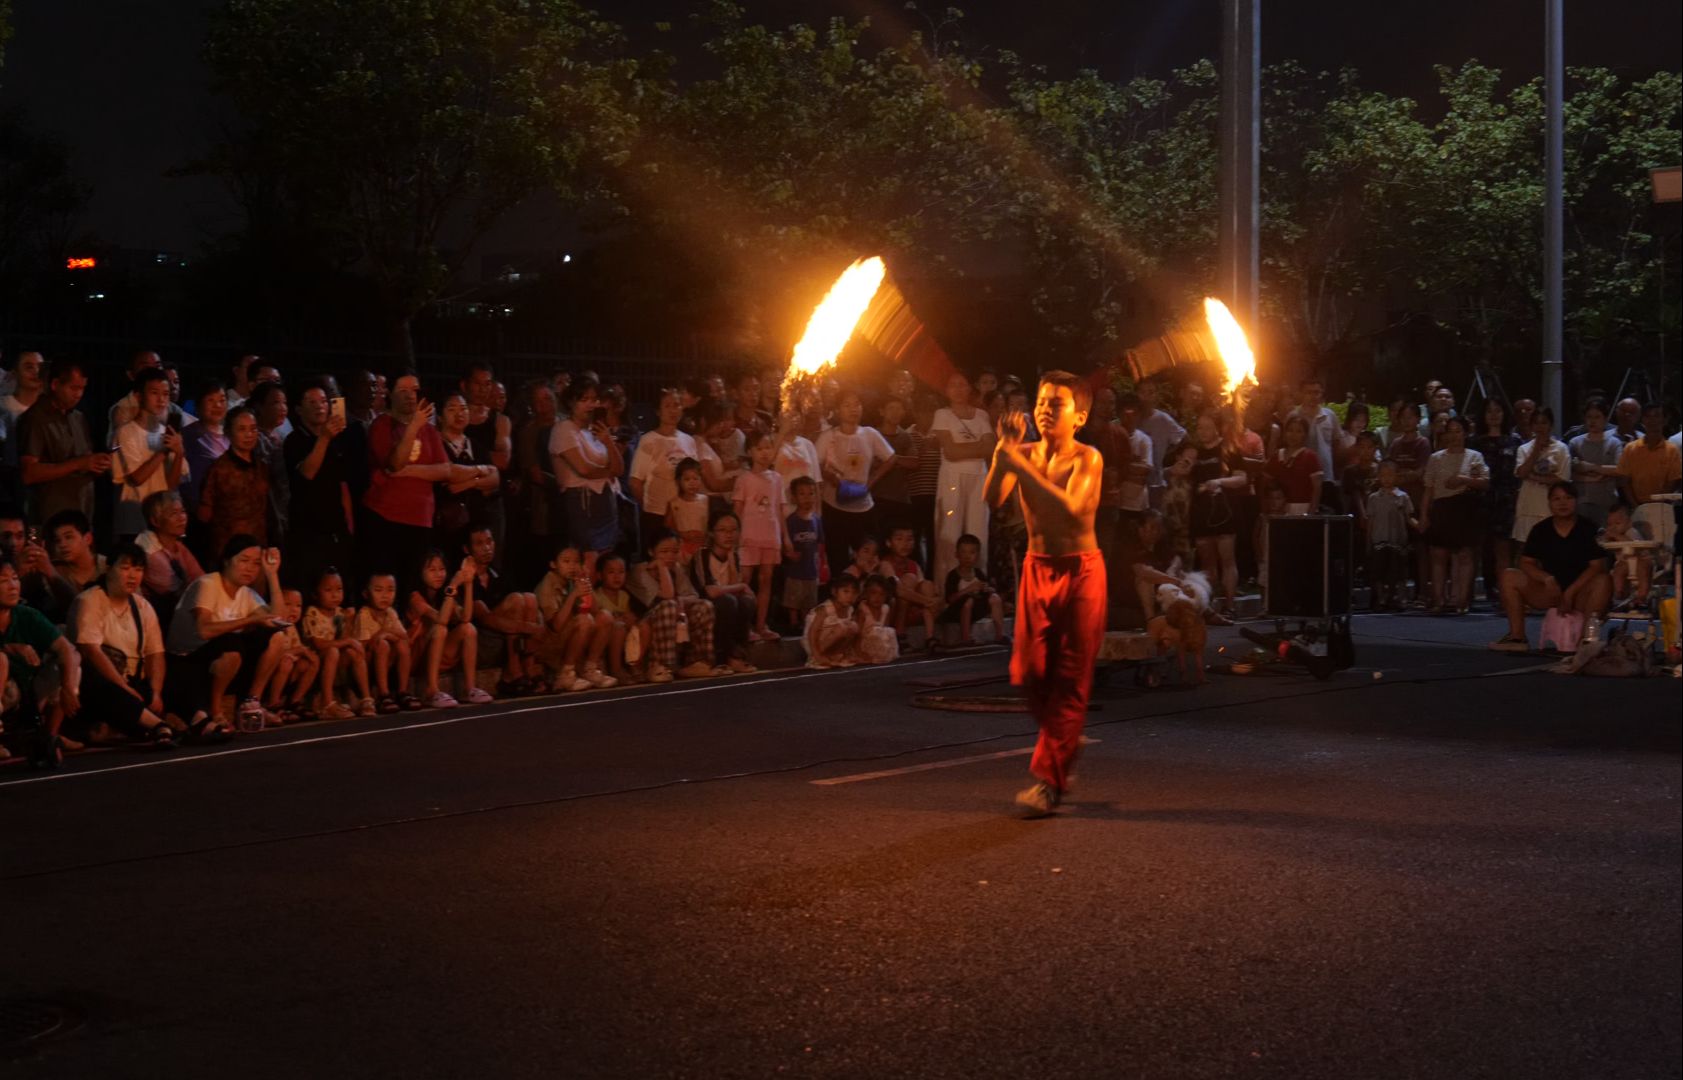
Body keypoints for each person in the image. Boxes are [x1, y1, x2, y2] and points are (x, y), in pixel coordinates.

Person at [984, 371, 1106, 817]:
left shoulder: (1088, 459)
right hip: (1037, 569)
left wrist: (1017, 465)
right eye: (1041, 401)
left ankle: (1048, 783)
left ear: (1080, 417)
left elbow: (1071, 509)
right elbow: (994, 497)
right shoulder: (1024, 453)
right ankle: (1062, 744)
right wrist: (1003, 453)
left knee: (1070, 680)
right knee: (1030, 672)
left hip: (1080, 573)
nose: (1045, 410)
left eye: (1057, 404)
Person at [164, 536, 290, 736]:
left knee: (277, 638)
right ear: (226, 560)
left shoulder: (246, 593)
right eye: (244, 560)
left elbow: (279, 620)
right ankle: (216, 711)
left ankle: (251, 704)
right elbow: (204, 630)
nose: (250, 568)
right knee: (232, 646)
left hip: (222, 658)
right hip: (186, 660)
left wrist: (272, 574)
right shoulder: (207, 584)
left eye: (256, 564)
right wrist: (250, 620)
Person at [364, 372, 476, 592]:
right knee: (386, 585)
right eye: (403, 391)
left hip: (420, 518)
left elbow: (445, 470)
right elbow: (395, 463)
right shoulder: (382, 425)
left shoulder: (429, 430)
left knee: (413, 586)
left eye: (414, 390)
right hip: (386, 517)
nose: (410, 396)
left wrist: (410, 471)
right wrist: (413, 427)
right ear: (390, 394)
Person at [68, 543, 179, 749]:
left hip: (134, 681)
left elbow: (155, 653)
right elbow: (91, 651)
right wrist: (123, 687)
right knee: (104, 688)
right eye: (125, 568)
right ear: (108, 568)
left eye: (138, 569)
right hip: (103, 682)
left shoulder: (142, 606)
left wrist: (155, 692)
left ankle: (195, 719)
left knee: (177, 673)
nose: (132, 576)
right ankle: (159, 726)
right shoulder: (90, 600)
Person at [1490, 482, 1612, 652]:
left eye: (1568, 498)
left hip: (1581, 592)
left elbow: (1597, 566)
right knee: (1509, 575)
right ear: (1549, 503)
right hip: (1550, 591)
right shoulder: (1540, 529)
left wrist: (1570, 592)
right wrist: (1546, 578)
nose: (1563, 503)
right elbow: (1526, 562)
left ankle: (1586, 641)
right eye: (1557, 499)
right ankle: (1517, 637)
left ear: (1576, 501)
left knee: (1603, 581)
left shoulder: (1589, 528)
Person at [0, 558, 83, 766]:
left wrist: (68, 688)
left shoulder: (26, 614)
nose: (12, 586)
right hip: (6, 691)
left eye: (15, 578)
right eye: (3, 581)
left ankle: (49, 736)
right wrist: (9, 648)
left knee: (71, 660)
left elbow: (65, 648)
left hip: (27, 690)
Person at [813, 389, 895, 576]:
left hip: (863, 507)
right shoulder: (829, 436)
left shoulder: (870, 434)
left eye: (857, 404)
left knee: (870, 558)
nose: (853, 409)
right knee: (838, 559)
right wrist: (831, 477)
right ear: (838, 409)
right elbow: (815, 463)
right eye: (847, 405)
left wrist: (870, 482)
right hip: (834, 506)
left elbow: (891, 458)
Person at [18, 359, 108, 524]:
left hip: (81, 512)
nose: (79, 394)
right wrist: (78, 464)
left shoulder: (78, 418)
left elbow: (84, 459)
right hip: (52, 514)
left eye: (82, 388)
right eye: (74, 388)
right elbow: (28, 473)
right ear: (55, 384)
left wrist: (96, 464)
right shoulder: (36, 418)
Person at [550, 375, 624, 573]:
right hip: (582, 503)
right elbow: (584, 469)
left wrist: (607, 441)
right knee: (588, 560)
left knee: (607, 561)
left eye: (594, 399)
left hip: (606, 501)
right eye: (584, 399)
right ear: (571, 402)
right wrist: (608, 472)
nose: (591, 405)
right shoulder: (564, 429)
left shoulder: (595, 431)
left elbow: (619, 469)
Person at [929, 373, 995, 585]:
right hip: (952, 477)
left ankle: (978, 585)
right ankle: (945, 587)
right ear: (946, 390)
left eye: (962, 385)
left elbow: (990, 448)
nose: (958, 389)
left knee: (978, 531)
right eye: (953, 385)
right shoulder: (942, 414)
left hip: (979, 477)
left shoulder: (981, 415)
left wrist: (964, 448)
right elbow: (951, 452)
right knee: (949, 532)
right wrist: (978, 446)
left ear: (970, 388)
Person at [628, 530, 719, 681]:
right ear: (651, 551)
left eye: (674, 552)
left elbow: (693, 595)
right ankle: (660, 665)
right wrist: (662, 568)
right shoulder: (641, 570)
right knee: (669, 606)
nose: (670, 556)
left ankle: (696, 662)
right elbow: (667, 595)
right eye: (664, 552)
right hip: (646, 621)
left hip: (675, 615)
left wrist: (682, 600)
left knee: (705, 606)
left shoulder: (676, 568)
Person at [1419, 416, 1489, 614]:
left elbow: (1484, 482)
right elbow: (1428, 489)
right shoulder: (1436, 458)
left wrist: (1462, 479)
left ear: (1465, 433)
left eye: (1458, 431)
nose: (1454, 435)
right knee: (1438, 554)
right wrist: (1424, 515)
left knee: (1465, 554)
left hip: (1465, 507)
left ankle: (1462, 601)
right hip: (1441, 507)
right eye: (1451, 431)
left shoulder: (1474, 456)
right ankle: (1438, 600)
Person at [110, 368, 188, 541]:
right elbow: (136, 478)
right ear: (139, 396)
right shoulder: (126, 432)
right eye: (154, 393)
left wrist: (179, 453)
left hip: (161, 521)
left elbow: (171, 484)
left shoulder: (166, 433)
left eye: (165, 394)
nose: (161, 399)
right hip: (134, 518)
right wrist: (164, 451)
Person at [406, 549, 487, 708]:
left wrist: (468, 583)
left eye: (442, 569)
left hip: (439, 656)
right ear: (420, 572)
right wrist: (453, 585)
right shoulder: (415, 597)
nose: (438, 574)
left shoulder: (445, 595)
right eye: (432, 570)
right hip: (418, 659)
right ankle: (432, 690)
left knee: (468, 628)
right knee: (440, 629)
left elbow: (466, 617)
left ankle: (470, 689)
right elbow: (441, 620)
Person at [534, 543, 617, 691]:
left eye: (576, 562)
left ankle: (590, 670)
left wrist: (585, 580)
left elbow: (596, 610)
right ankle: (565, 674)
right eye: (566, 561)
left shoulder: (573, 581)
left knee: (605, 616)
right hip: (549, 642)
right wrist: (573, 595)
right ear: (553, 564)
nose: (572, 566)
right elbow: (556, 626)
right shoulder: (548, 584)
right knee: (585, 620)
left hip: (570, 637)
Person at [1187, 411, 1245, 622]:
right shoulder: (1195, 452)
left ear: (1217, 428)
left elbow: (1242, 478)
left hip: (1224, 512)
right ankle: (1210, 607)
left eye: (1207, 427)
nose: (1202, 432)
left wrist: (1219, 482)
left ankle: (1230, 605)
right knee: (1207, 562)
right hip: (1201, 513)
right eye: (1199, 428)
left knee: (1227, 559)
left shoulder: (1229, 449)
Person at [732, 430, 786, 641]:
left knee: (766, 581)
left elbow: (779, 509)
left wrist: (785, 538)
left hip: (770, 537)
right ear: (750, 451)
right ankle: (743, 627)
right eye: (759, 448)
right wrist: (735, 536)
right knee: (744, 580)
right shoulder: (744, 479)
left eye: (768, 448)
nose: (765, 453)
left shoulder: (777, 478)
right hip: (748, 537)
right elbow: (737, 510)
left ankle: (761, 625)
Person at [196, 406, 271, 559]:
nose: (249, 434)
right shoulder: (218, 470)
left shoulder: (261, 466)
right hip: (228, 550)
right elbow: (204, 514)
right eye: (242, 429)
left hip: (259, 545)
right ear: (229, 433)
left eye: (253, 429)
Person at [629, 388, 700, 546]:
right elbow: (635, 482)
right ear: (658, 411)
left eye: (676, 405)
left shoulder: (689, 441)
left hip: (684, 515)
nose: (672, 410)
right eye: (667, 406)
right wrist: (650, 508)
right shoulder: (649, 440)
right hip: (656, 516)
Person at [303, 565, 375, 720]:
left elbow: (346, 639)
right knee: (333, 651)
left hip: (337, 662)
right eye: (328, 590)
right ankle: (327, 703)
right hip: (317, 660)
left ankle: (366, 698)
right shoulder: (312, 613)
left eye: (339, 589)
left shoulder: (340, 613)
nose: (335, 595)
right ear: (315, 593)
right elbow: (319, 645)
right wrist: (348, 640)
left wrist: (349, 621)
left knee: (352, 652)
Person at [691, 512, 759, 674]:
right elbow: (711, 591)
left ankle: (736, 656)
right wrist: (741, 586)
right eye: (722, 530)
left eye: (733, 530)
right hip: (702, 604)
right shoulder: (703, 554)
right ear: (712, 533)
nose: (729, 535)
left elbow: (737, 589)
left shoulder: (734, 556)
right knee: (728, 602)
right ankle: (721, 658)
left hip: (728, 601)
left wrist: (731, 560)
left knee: (746, 602)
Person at [1468, 398, 1522, 602]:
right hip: (1479, 500)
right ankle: (1468, 595)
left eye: (1498, 410)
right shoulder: (1474, 442)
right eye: (1489, 411)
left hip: (1506, 500)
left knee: (1503, 549)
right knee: (1476, 549)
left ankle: (1505, 595)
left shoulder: (1514, 441)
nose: (1493, 415)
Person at [435, 393, 500, 555]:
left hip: (478, 525)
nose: (459, 414)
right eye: (452, 409)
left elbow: (494, 480)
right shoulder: (435, 446)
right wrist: (479, 474)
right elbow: (448, 478)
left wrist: (468, 483)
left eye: (463, 409)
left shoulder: (477, 446)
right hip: (447, 526)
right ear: (440, 417)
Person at [136, 490, 202, 631]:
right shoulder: (150, 552)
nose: (181, 518)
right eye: (174, 513)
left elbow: (200, 579)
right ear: (155, 521)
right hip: (161, 619)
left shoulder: (176, 545)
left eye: (183, 511)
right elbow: (174, 591)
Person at [356, 572, 421, 713]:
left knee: (401, 644)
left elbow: (404, 637)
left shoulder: (391, 612)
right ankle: (383, 694)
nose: (385, 595)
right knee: (383, 645)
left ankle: (403, 692)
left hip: (388, 663)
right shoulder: (364, 614)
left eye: (390, 590)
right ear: (366, 594)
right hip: (370, 664)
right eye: (378, 590)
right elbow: (364, 647)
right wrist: (384, 635)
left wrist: (386, 633)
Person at [1512, 408, 1571, 544]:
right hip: (1528, 506)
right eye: (1536, 423)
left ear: (1551, 425)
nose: (1540, 427)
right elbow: (1521, 473)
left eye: (1544, 423)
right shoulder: (1524, 449)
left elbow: (1562, 479)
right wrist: (1536, 450)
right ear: (1531, 426)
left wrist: (1533, 477)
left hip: (1551, 508)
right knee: (1527, 548)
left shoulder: (1561, 448)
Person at [1366, 461, 1417, 611]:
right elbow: (1370, 521)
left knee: (1398, 570)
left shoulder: (1403, 496)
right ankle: (1381, 598)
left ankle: (1399, 598)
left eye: (1390, 475)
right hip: (1379, 539)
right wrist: (1368, 541)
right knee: (1379, 571)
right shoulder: (1373, 498)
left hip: (1397, 540)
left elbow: (1409, 517)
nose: (1387, 479)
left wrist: (1420, 526)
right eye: (1383, 475)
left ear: (1396, 476)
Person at [264, 588, 320, 723]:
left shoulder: (292, 627)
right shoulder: (272, 627)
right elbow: (275, 655)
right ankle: (273, 704)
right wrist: (299, 651)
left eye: (298, 606)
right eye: (288, 604)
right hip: (272, 672)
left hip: (289, 673)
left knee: (310, 661)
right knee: (286, 662)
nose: (294, 610)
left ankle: (295, 702)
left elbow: (297, 650)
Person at [940, 533, 1006, 646]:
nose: (967, 556)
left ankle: (1000, 635)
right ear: (957, 554)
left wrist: (988, 590)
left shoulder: (978, 573)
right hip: (958, 610)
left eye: (972, 552)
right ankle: (966, 638)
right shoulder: (953, 575)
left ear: (977, 555)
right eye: (963, 552)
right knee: (968, 601)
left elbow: (985, 590)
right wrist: (968, 590)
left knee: (995, 598)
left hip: (976, 609)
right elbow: (950, 599)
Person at [1568, 399, 1624, 526]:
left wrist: (1592, 467)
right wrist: (1593, 478)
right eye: (1589, 417)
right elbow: (1570, 471)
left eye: (1597, 417)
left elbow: (1619, 469)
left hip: (1607, 502)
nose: (1592, 421)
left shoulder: (1614, 443)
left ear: (1605, 419)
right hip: (1581, 502)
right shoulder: (1575, 443)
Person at [1615, 403, 1681, 508]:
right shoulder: (1630, 448)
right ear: (1642, 420)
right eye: (1648, 416)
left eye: (1656, 415)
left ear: (1665, 420)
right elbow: (1624, 481)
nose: (1652, 420)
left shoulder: (1672, 450)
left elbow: (1673, 481)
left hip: (1663, 507)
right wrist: (1635, 506)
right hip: (1635, 506)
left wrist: (1659, 504)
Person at [179, 380, 230, 513]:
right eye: (211, 400)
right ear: (198, 405)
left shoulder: (232, 434)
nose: (217, 405)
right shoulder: (188, 436)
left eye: (222, 400)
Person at [592, 554, 642, 686]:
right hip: (606, 637)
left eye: (621, 572)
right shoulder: (597, 596)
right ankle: (616, 669)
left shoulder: (624, 596)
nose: (617, 576)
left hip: (624, 636)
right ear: (600, 575)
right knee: (618, 628)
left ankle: (634, 664)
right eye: (611, 572)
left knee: (642, 626)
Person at [783, 476, 824, 630]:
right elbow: (784, 543)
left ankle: (805, 625)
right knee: (794, 600)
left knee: (809, 599)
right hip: (795, 570)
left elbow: (820, 543)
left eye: (811, 493)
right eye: (802, 494)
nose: (807, 498)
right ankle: (793, 624)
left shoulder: (816, 520)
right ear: (794, 497)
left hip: (811, 569)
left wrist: (822, 564)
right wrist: (788, 554)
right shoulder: (791, 521)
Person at [802, 572, 863, 669]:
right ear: (834, 592)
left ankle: (836, 655)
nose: (850, 596)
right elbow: (812, 632)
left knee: (853, 627)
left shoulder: (850, 609)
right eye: (846, 591)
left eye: (854, 593)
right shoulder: (825, 609)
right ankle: (816, 658)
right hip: (815, 644)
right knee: (842, 628)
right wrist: (816, 654)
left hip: (831, 642)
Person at [1265, 415, 1323, 515]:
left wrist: (1311, 513)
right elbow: (1265, 484)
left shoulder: (1310, 457)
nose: (1293, 435)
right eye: (1290, 430)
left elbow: (1317, 489)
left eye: (1299, 431)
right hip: (1279, 510)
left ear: (1305, 435)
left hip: (1303, 509)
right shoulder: (1276, 456)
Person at [665, 458, 711, 562]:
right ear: (678, 481)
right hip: (682, 548)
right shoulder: (674, 503)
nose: (692, 483)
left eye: (695, 479)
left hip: (702, 546)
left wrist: (705, 535)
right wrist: (683, 534)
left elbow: (710, 524)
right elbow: (668, 527)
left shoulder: (705, 500)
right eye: (687, 479)